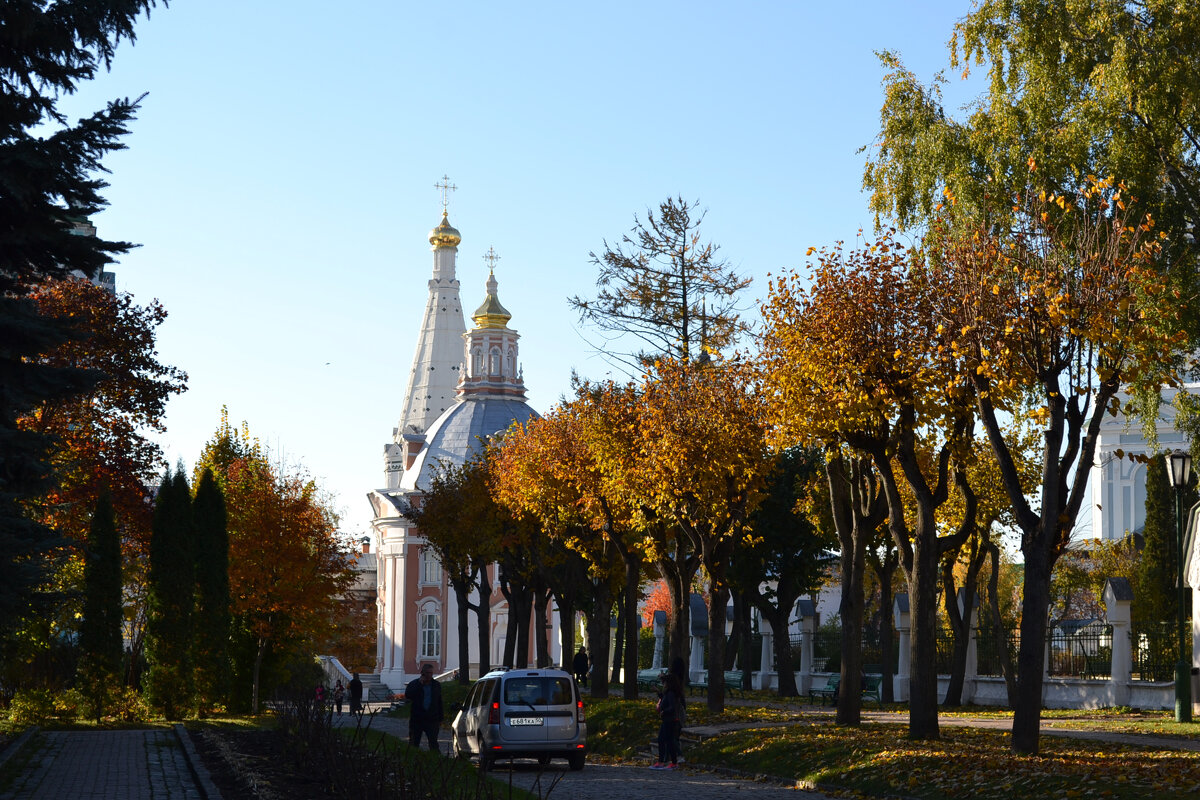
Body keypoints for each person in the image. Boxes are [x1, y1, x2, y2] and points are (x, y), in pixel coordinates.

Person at [405, 663, 445, 751]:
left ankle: (435, 758)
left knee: (433, 743)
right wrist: (420, 685)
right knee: (414, 743)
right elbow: (408, 695)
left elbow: (439, 702)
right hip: (417, 719)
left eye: (431, 673)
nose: (429, 675)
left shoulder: (436, 685)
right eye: (427, 673)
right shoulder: (414, 684)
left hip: (432, 718)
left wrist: (441, 718)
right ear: (422, 673)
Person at [650, 673, 683, 770]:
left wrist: (664, 711)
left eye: (664, 682)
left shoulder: (671, 693)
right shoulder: (668, 693)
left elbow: (672, 707)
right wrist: (658, 692)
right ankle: (662, 761)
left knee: (668, 741)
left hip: (670, 720)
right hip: (666, 720)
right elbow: (664, 699)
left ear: (669, 683)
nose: (663, 684)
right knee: (662, 740)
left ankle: (672, 762)